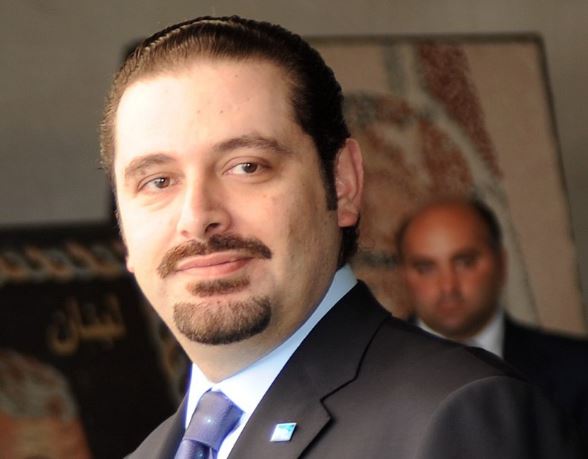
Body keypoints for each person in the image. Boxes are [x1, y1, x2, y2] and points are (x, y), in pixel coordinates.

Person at [100, 16, 585, 458]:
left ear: (343, 183)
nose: (197, 217)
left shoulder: (458, 419)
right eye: (157, 181)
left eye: (247, 166)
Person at [397, 196, 588, 438]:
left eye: (465, 262)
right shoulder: (370, 374)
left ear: (501, 263)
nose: (447, 286)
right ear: (403, 275)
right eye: (425, 268)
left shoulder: (578, 370)